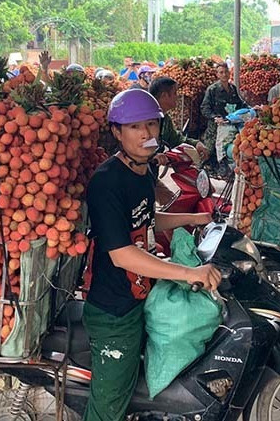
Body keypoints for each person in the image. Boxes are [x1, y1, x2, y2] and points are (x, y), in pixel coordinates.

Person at [84, 89, 221, 421]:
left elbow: (145, 219)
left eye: (151, 124)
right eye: (134, 127)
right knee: (110, 406)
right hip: (114, 312)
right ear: (116, 131)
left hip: (139, 295)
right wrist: (189, 273)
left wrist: (193, 219)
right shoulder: (107, 182)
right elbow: (122, 255)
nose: (146, 134)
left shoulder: (143, 172)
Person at [148, 76, 209, 160]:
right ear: (164, 96)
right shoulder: (145, 119)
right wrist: (150, 156)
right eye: (175, 93)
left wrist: (196, 143)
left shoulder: (165, 119)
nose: (177, 97)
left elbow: (175, 139)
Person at [201, 63, 247, 160]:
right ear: (217, 74)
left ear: (229, 73)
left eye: (226, 72)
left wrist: (251, 108)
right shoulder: (212, 90)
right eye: (221, 72)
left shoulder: (233, 89)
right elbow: (204, 108)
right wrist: (215, 117)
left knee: (230, 152)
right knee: (208, 154)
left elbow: (240, 104)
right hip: (215, 127)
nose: (224, 74)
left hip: (231, 125)